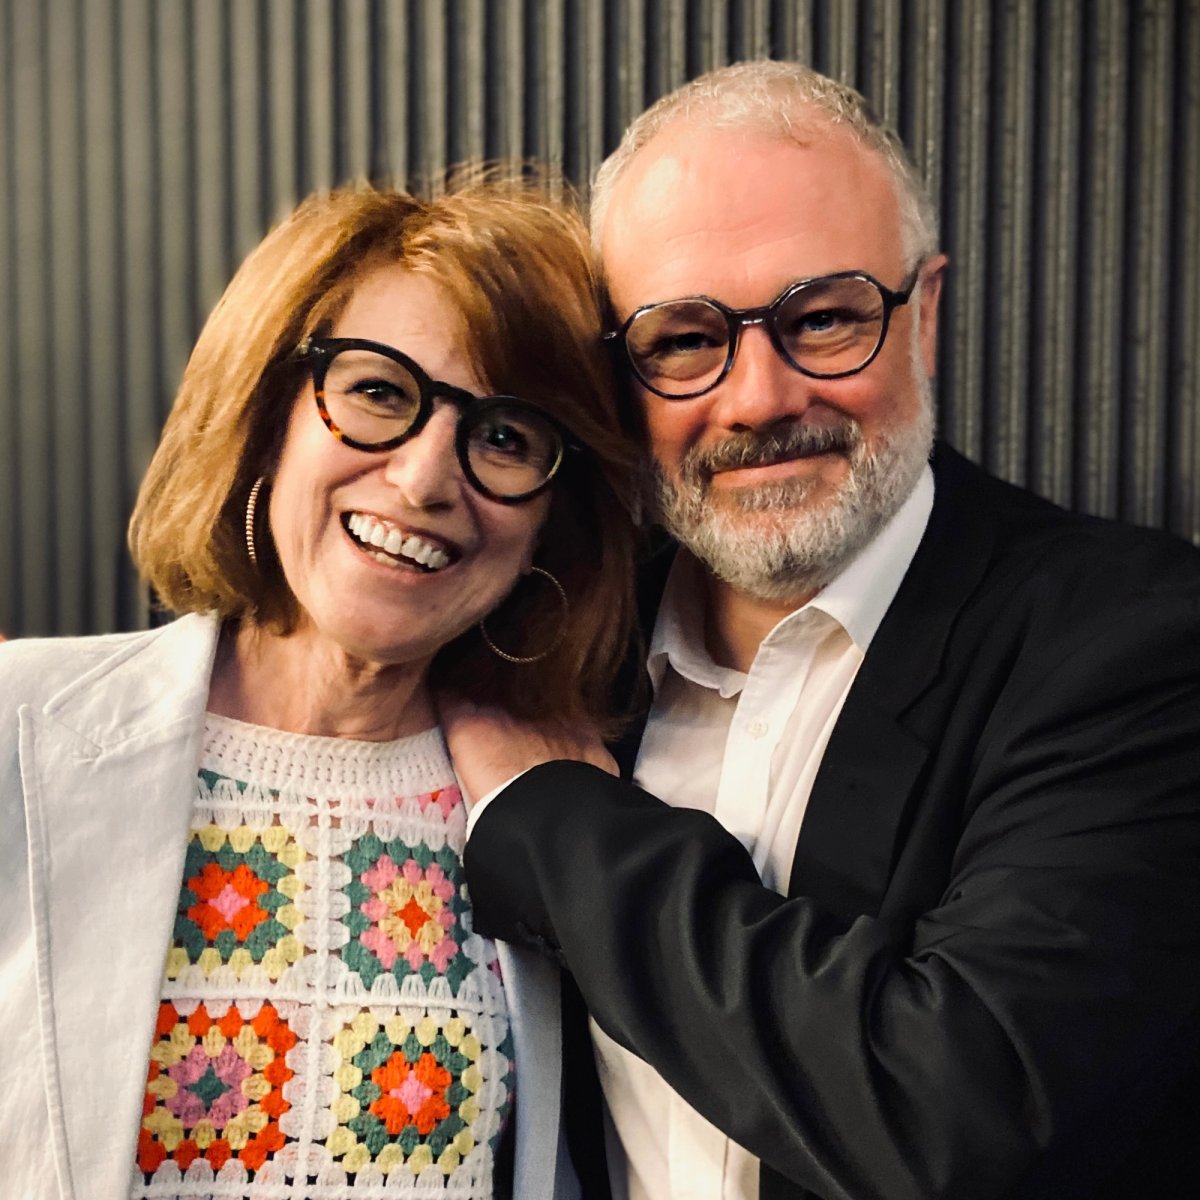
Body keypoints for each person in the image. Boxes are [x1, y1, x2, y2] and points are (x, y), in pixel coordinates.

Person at [440, 61, 1200, 1200]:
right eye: (684, 339)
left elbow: (957, 1109)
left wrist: (558, 827)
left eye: (825, 318)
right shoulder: (555, 636)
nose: (757, 398)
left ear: (924, 315)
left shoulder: (1132, 639)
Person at [0, 180, 638, 1199]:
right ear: (267, 419)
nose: (427, 480)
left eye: (507, 438)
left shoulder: (559, 805)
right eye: (381, 392)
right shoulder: (20, 729)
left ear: (553, 522)